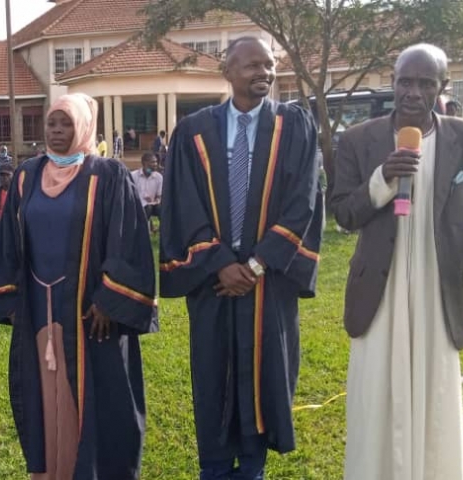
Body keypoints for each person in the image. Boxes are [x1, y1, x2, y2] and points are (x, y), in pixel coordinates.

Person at [159, 37, 322, 479]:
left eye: (269, 66)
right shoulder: (194, 131)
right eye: (252, 65)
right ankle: (213, 467)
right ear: (227, 72)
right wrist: (217, 262)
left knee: (264, 371)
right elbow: (183, 203)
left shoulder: (295, 126)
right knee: (212, 372)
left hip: (266, 281)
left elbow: (302, 201)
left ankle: (252, 467)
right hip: (213, 281)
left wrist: (255, 264)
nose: (263, 73)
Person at [0, 93, 158, 480]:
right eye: (52, 122)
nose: (58, 131)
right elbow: (9, 241)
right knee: (46, 397)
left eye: (67, 123)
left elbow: (128, 240)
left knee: (97, 397)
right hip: (37, 307)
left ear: (84, 126)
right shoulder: (27, 175)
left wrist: (109, 299)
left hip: (89, 312)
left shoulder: (108, 174)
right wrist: (11, 297)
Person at [330, 44, 463, 480]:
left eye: (426, 83)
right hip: (378, 293)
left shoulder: (461, 139)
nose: (413, 92)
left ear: (442, 87)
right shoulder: (357, 140)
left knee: (437, 396)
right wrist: (382, 179)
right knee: (375, 398)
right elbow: (344, 213)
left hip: (438, 290)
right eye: (406, 81)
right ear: (392, 82)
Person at [131, 152, 163, 232]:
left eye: (156, 162)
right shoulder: (134, 176)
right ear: (144, 163)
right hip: (139, 205)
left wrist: (157, 200)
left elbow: (159, 195)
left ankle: (163, 231)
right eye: (152, 162)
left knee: (162, 209)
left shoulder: (158, 177)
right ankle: (144, 232)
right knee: (147, 209)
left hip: (153, 204)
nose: (155, 164)